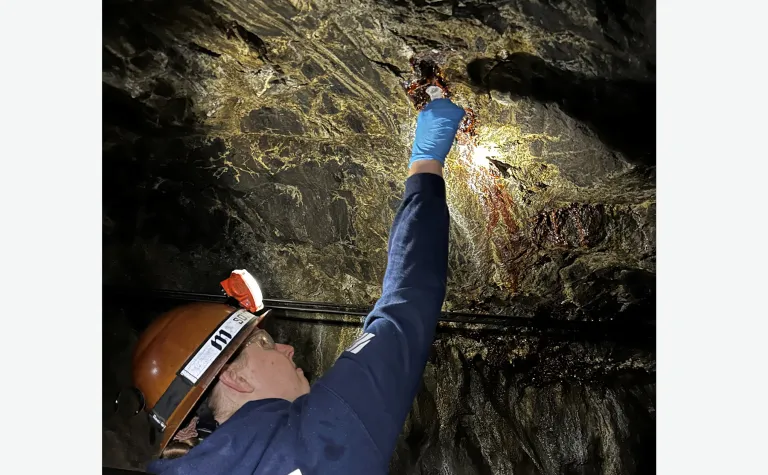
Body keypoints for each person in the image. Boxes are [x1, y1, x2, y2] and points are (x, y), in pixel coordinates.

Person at [132, 96, 466, 475]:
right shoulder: (317, 435)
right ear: (233, 376)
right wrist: (425, 163)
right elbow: (406, 304)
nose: (288, 348)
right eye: (266, 343)